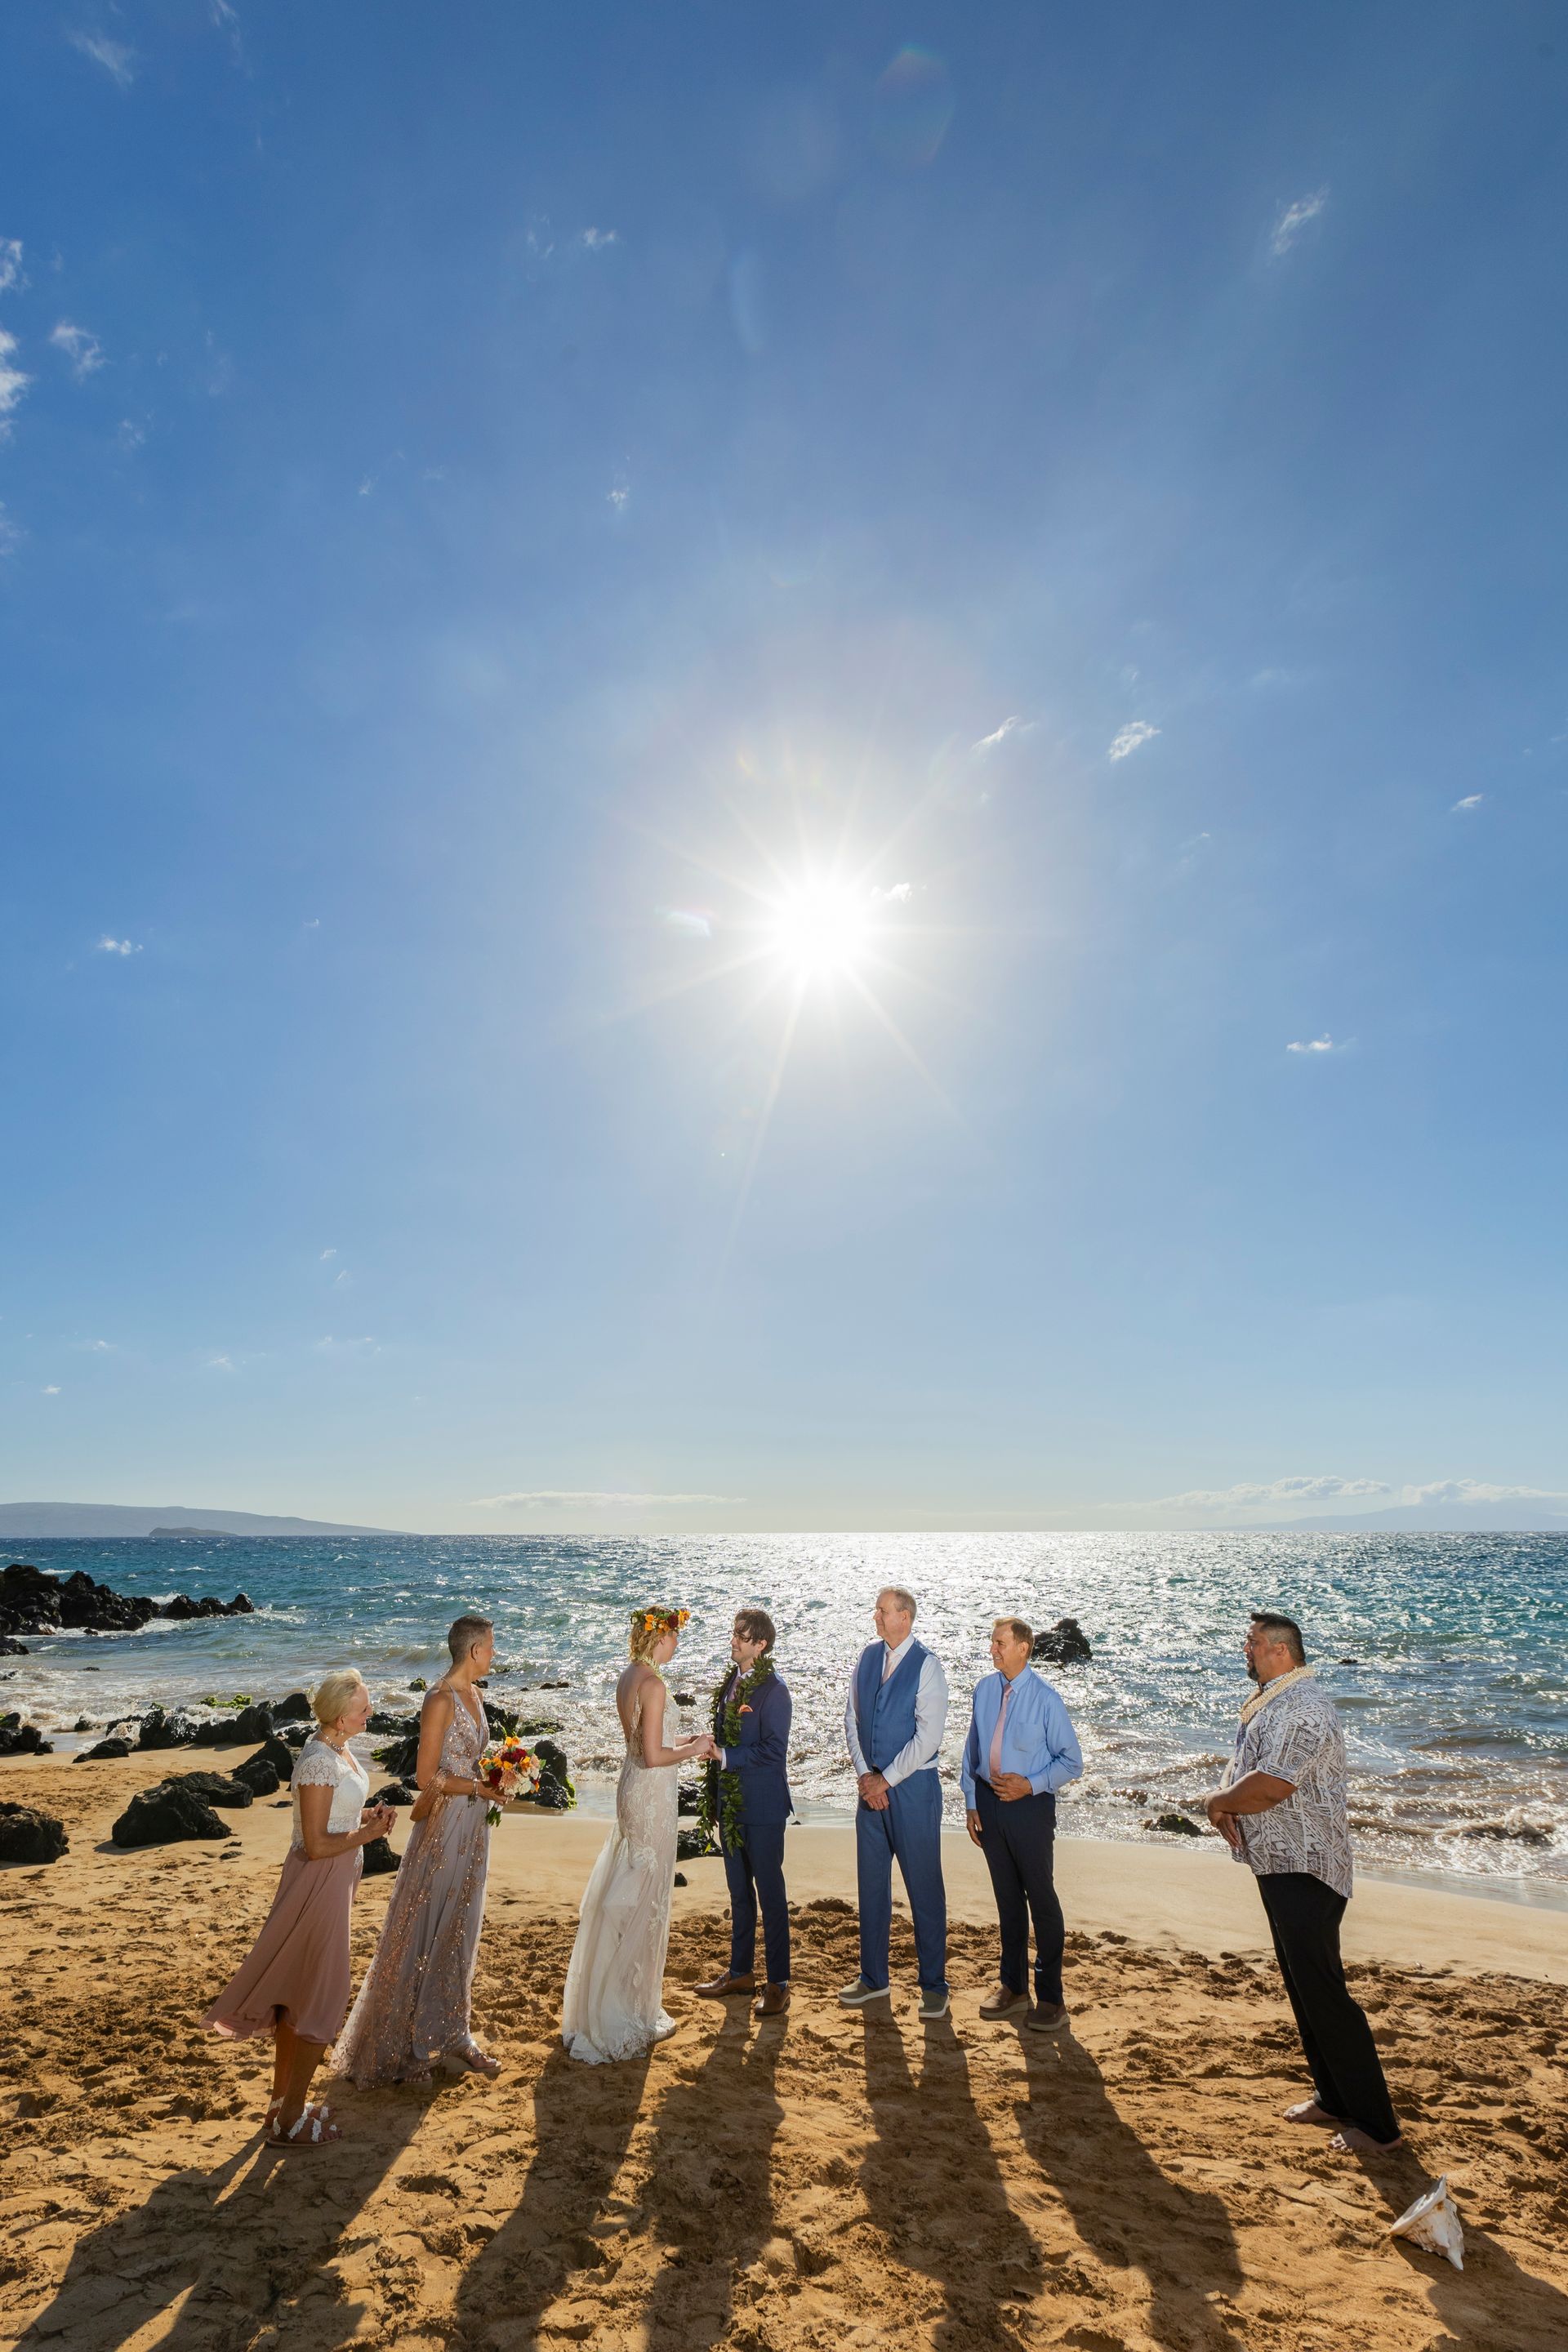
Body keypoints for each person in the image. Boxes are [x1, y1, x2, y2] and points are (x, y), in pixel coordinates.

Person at [1201, 1610, 1402, 2154]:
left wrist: (1219, 1803)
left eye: (1255, 1643)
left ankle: (1379, 2128)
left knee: (1326, 1996)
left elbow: (1271, 1786)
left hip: (1309, 1869)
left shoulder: (1304, 1709)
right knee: (1304, 1989)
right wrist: (1226, 1805)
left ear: (1283, 1653)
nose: (1248, 1650)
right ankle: (1334, 2099)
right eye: (1248, 1641)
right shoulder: (1276, 1701)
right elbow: (1251, 1768)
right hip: (1280, 1864)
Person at [203, 1668, 394, 2147]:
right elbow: (313, 1844)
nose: (370, 1715)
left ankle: (281, 2105)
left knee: (297, 1987)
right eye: (364, 1709)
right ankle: (290, 2120)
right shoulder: (315, 1760)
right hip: (317, 1880)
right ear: (338, 1715)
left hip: (337, 1877)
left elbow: (334, 1817)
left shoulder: (338, 1750)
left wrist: (365, 1817)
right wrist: (369, 1834)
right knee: (323, 1995)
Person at [332, 1613, 503, 2087]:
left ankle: (453, 2031)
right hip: (447, 1825)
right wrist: (481, 1789)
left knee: (463, 1924)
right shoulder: (440, 1699)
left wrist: (498, 1777)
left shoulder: (475, 1694)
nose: (494, 1654)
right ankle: (412, 2042)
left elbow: (470, 1760)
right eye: (491, 1647)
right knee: (431, 1923)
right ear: (473, 1651)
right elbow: (427, 1777)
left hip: (474, 1825)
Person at [561, 1606, 717, 2063]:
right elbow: (653, 1755)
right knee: (644, 1896)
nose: (677, 1644)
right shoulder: (654, 1683)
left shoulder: (630, 1676)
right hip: (650, 1794)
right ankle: (625, 2010)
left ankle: (622, 1998)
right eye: (674, 1637)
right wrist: (695, 1748)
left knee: (631, 1887)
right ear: (658, 1638)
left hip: (632, 1788)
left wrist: (683, 1742)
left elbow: (642, 1743)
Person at [962, 1615, 1084, 2032]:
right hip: (988, 1804)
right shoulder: (983, 1689)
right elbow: (972, 1748)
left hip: (1030, 1809)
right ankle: (1013, 1988)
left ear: (1023, 1648)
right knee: (1007, 1899)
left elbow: (1072, 1762)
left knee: (1041, 1900)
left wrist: (1030, 1785)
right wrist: (971, 1801)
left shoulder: (1046, 1699)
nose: (992, 1649)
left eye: (999, 1643)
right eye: (992, 1642)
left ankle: (1051, 1997)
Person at [839, 1585, 951, 2020]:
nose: (876, 1617)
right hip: (870, 1791)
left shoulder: (928, 1667)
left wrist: (885, 1779)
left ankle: (935, 1985)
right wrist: (866, 1776)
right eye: (877, 1611)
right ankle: (873, 1979)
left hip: (914, 1791)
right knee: (871, 1886)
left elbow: (929, 1739)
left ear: (905, 1617)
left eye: (883, 1611)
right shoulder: (866, 1658)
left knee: (924, 1886)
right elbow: (852, 1718)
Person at [695, 1607, 794, 2018]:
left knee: (771, 1898)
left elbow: (774, 1752)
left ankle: (779, 1983)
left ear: (761, 1644)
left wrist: (726, 1754)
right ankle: (739, 1973)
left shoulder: (775, 1691)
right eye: (734, 1633)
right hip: (732, 1809)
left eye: (742, 1635)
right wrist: (716, 1799)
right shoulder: (729, 1686)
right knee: (739, 1895)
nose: (734, 1640)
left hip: (764, 1808)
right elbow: (720, 1741)